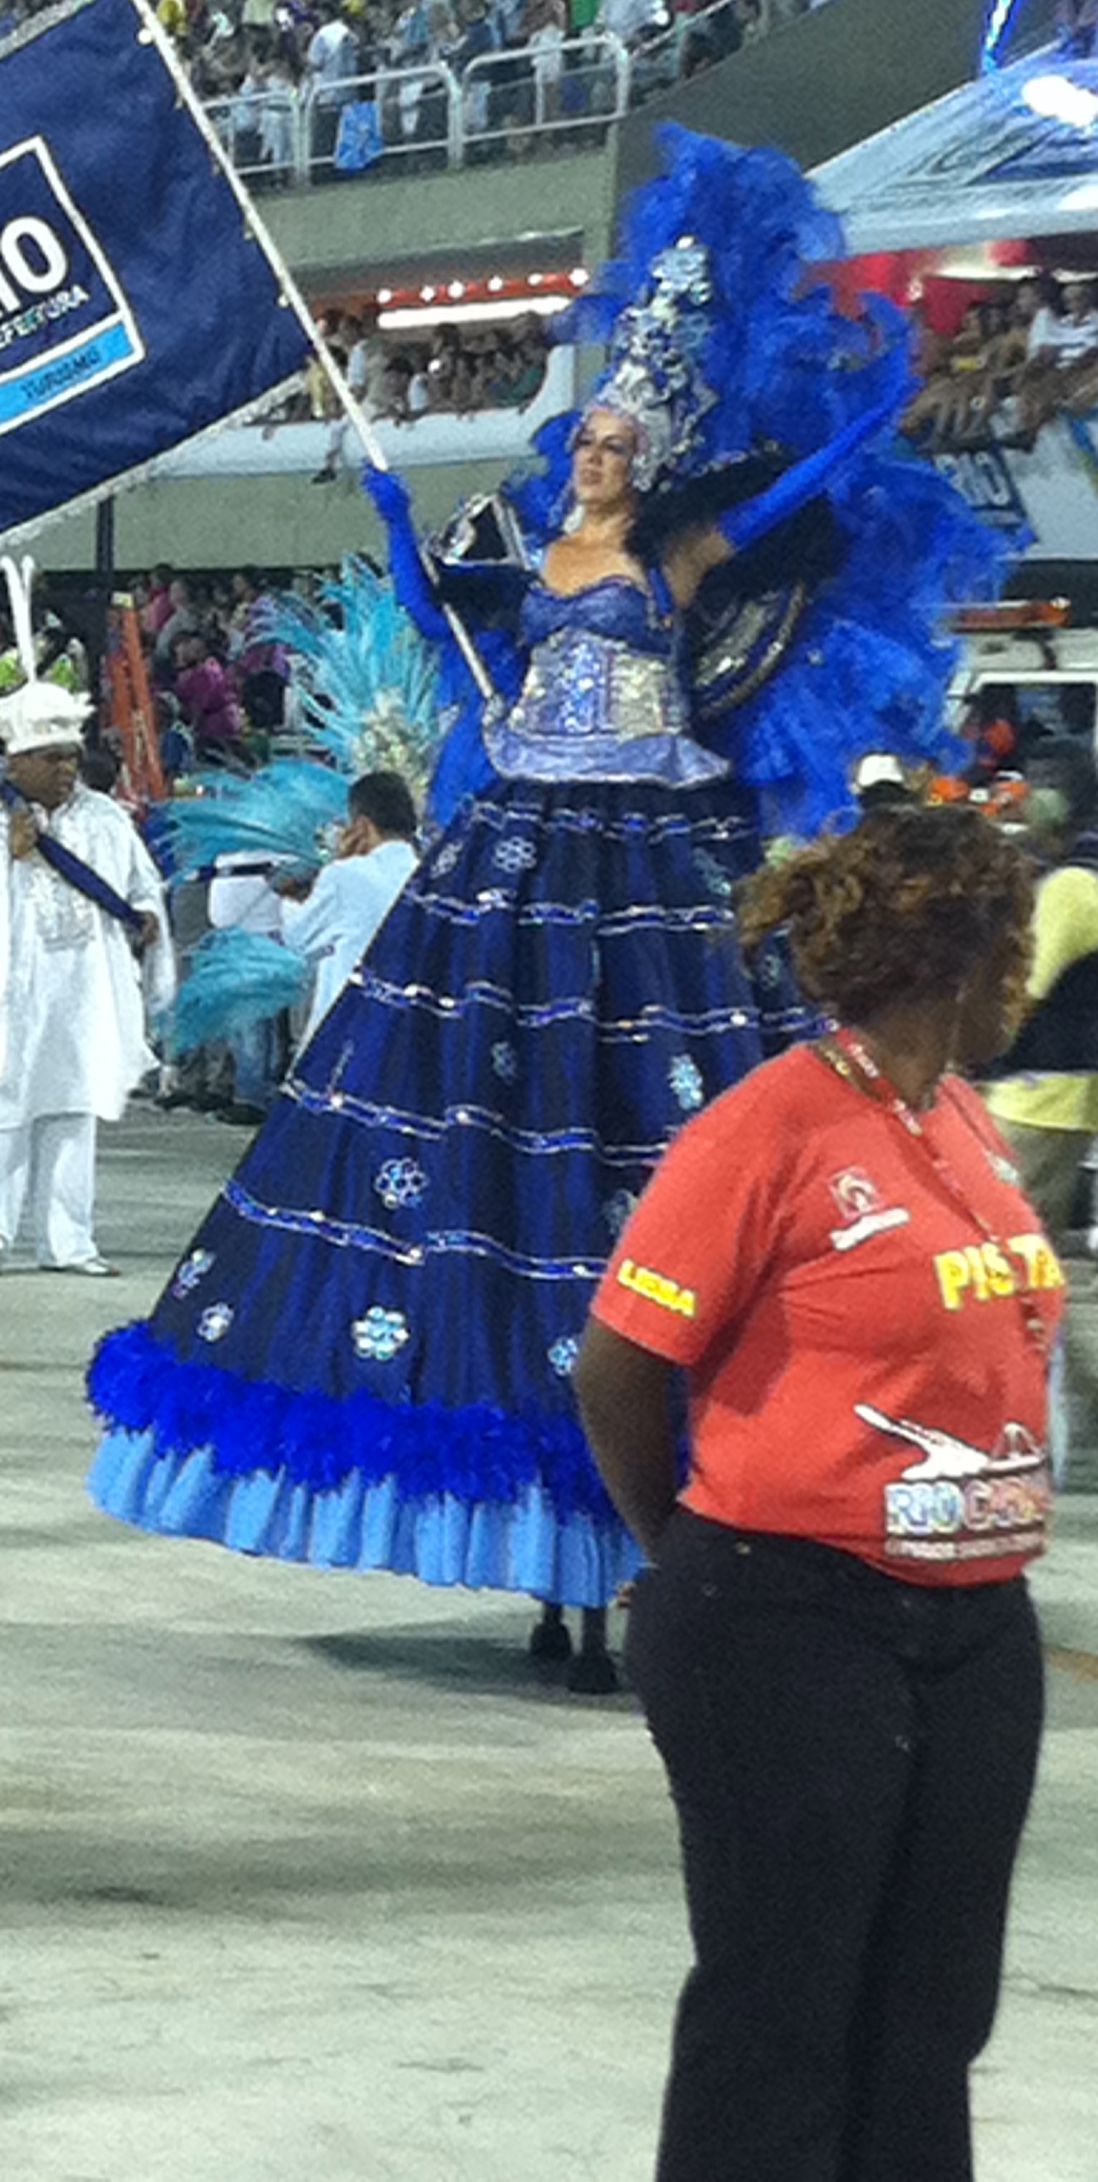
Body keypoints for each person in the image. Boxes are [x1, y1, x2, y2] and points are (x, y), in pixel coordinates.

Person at [87, 132, 1002, 1691]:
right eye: (586, 440)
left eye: (618, 445)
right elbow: (436, 612)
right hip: (515, 851)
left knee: (643, 1128)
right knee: (482, 1146)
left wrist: (866, 425)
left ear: (645, 460)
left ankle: (647, 1539)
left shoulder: (677, 553)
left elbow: (786, 499)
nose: (596, 457)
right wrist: (393, 518)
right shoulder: (529, 560)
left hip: (647, 854)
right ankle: (548, 1543)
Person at [575, 808, 1056, 2182]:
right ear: (961, 955)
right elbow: (617, 1367)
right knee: (783, 2006)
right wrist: (689, 1552)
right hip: (785, 1621)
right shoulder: (767, 1128)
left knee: (933, 2011)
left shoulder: (959, 1116)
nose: (1027, 980)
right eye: (1015, 949)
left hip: (976, 1625)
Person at [0, 646, 173, 1280]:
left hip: (83, 988)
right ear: (17, 760)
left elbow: (141, 884)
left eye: (71, 757)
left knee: (72, 1109)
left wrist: (146, 917)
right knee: (2, 1109)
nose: (66, 769)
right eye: (52, 758)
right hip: (13, 991)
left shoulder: (105, 818)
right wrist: (4, 857)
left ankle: (68, 1241)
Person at [981, 740, 1098, 1468]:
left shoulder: (1072, 888)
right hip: (1058, 1096)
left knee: (1007, 1260)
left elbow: (1021, 995)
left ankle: (1040, 1416)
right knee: (1032, 1258)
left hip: (1038, 1100)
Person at [278, 768, 419, 1040]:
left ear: (361, 826)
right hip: (406, 1031)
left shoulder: (344, 876)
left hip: (347, 1027)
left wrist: (288, 902)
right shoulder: (429, 878)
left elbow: (297, 939)